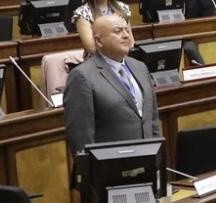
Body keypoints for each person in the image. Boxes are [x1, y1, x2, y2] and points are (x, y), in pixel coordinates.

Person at [62, 12, 159, 160]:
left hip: (147, 163)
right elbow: (81, 137)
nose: (126, 35)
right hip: (110, 171)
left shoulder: (140, 67)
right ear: (99, 41)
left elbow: (152, 120)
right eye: (118, 31)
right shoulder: (82, 76)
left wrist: (157, 159)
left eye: (126, 30)